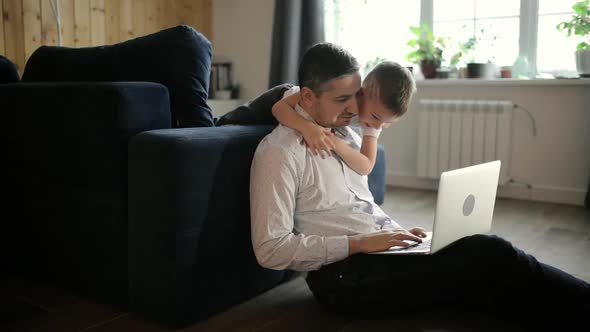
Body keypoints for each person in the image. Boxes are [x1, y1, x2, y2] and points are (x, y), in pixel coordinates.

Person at [249, 43, 589, 330]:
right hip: (343, 280)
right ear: (306, 98)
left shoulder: (348, 136)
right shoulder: (280, 152)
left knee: (484, 272)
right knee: (490, 254)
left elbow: (358, 205)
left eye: (357, 96)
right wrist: (362, 242)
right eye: (341, 100)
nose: (354, 108)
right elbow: (271, 250)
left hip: (380, 255)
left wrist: (400, 237)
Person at [271, 60, 414, 176]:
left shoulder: (374, 121)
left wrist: (337, 144)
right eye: (376, 117)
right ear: (361, 93)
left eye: (387, 123)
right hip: (284, 97)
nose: (378, 126)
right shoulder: (342, 92)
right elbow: (278, 109)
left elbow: (366, 166)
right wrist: (308, 128)